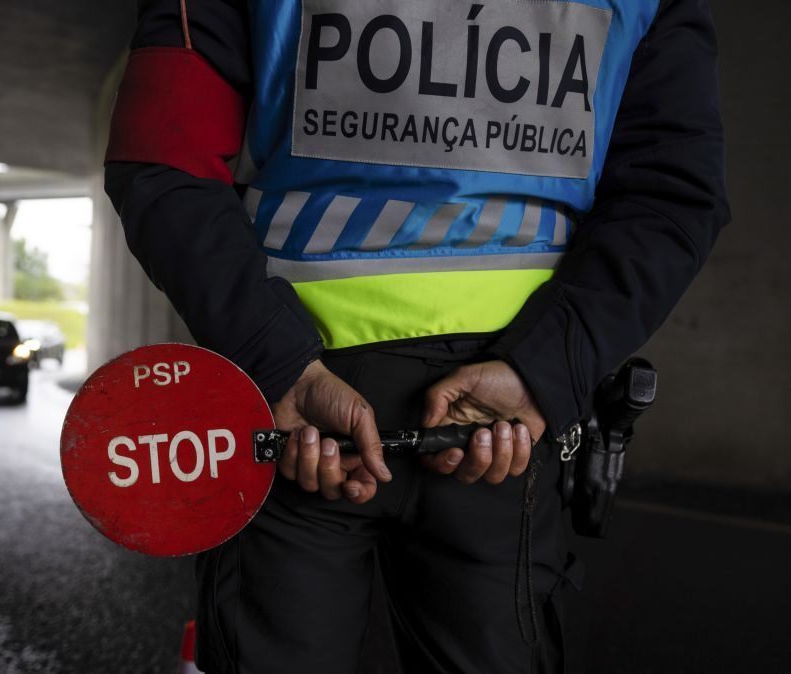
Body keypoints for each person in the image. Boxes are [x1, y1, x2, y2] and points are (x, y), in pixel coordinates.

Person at [104, 1, 729, 672]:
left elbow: (163, 153)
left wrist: (277, 362)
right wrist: (542, 370)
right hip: (496, 426)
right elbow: (672, 192)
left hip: (296, 410)